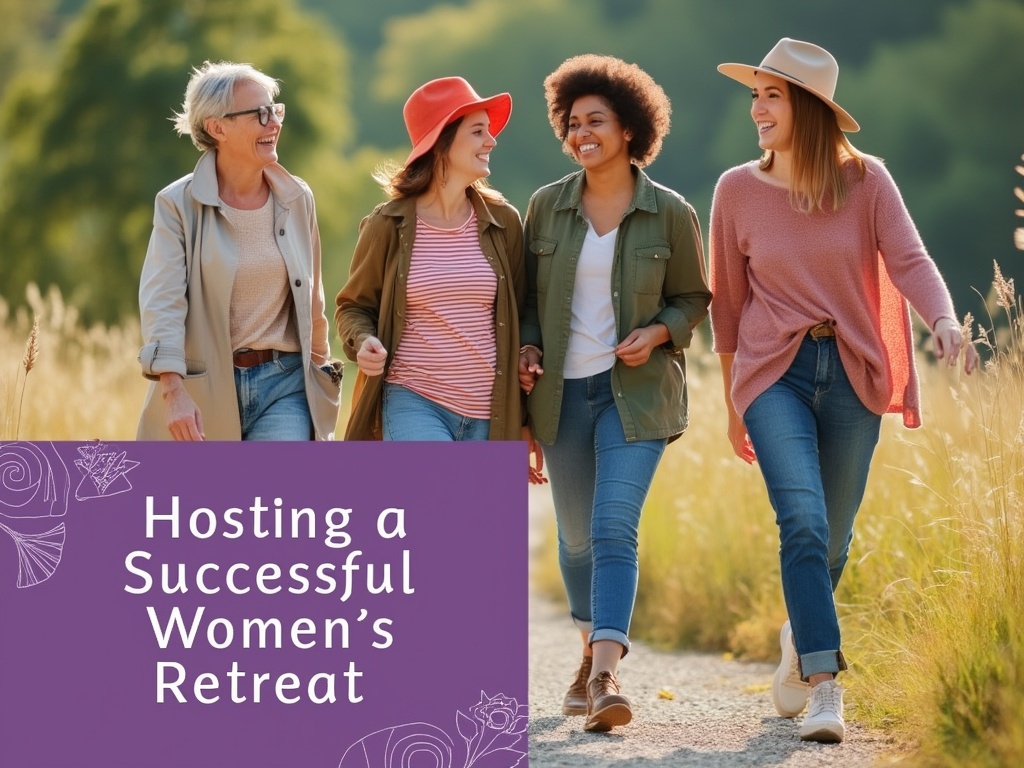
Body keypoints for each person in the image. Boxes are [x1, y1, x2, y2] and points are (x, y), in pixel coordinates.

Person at [709, 38, 979, 743]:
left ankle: (800, 639)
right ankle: (828, 686)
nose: (757, 108)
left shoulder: (868, 182)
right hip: (773, 371)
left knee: (831, 536)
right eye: (756, 94)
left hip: (854, 369)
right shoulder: (735, 190)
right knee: (800, 518)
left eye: (772, 95)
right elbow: (728, 306)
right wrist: (731, 399)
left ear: (809, 108)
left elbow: (911, 260)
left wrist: (944, 320)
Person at [519, 55, 711, 732]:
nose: (582, 134)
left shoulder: (671, 213)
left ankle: (605, 674)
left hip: (638, 395)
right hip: (563, 397)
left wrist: (659, 332)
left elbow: (694, 298)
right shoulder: (546, 206)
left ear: (630, 129)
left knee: (611, 528)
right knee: (574, 540)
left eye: (596, 121)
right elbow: (526, 306)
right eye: (572, 123)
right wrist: (529, 345)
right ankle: (587, 652)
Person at [137, 61, 341, 441]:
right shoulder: (177, 205)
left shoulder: (297, 198)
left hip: (285, 387)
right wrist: (173, 391)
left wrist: (321, 372)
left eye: (275, 111)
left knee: (276, 494)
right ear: (217, 128)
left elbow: (313, 299)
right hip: (206, 390)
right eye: (259, 114)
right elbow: (162, 302)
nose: (274, 123)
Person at [336, 76, 525, 442]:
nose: (492, 140)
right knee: (436, 499)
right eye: (478, 131)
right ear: (442, 140)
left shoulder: (504, 222)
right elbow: (353, 306)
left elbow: (524, 305)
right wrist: (363, 342)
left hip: (491, 412)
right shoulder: (386, 224)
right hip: (412, 399)